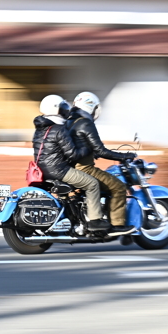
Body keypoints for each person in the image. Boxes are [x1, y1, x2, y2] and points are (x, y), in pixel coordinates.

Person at [32, 95, 109, 233]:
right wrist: (87, 148)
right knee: (92, 184)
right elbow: (73, 154)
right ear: (56, 110)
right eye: (63, 107)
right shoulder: (59, 129)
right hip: (58, 170)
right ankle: (94, 221)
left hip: (43, 169)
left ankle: (73, 217)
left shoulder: (40, 129)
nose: (66, 110)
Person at [68, 91, 136, 236]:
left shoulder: (70, 121)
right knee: (118, 186)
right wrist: (124, 156)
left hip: (71, 168)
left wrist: (94, 153)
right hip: (85, 169)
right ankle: (117, 225)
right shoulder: (85, 123)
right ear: (92, 107)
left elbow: (81, 144)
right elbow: (101, 149)